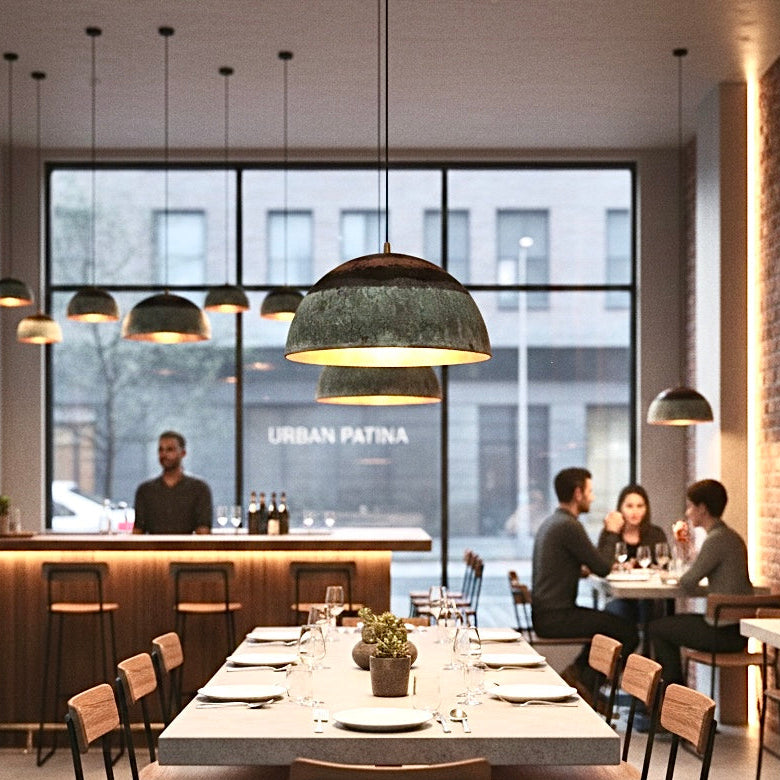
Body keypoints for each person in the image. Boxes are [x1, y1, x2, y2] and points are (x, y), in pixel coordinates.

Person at [532, 467, 639, 693]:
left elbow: (588, 562)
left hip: (546, 614)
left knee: (608, 628)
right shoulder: (569, 525)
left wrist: (576, 569)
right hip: (556, 617)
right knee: (627, 633)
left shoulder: (554, 522)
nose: (593, 497)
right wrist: (611, 531)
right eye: (590, 491)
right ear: (578, 493)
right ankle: (586, 685)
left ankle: (578, 676)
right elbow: (602, 567)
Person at [648, 479, 753, 687]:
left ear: (702, 508)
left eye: (690, 506)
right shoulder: (730, 537)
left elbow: (688, 581)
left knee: (657, 628)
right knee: (664, 626)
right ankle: (670, 698)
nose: (687, 513)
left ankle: (671, 699)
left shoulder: (717, 539)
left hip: (724, 633)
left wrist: (675, 575)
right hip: (737, 629)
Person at [597, 484, 669, 624]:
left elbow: (665, 565)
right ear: (620, 508)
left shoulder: (655, 534)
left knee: (649, 608)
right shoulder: (610, 533)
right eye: (629, 506)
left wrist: (647, 568)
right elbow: (601, 564)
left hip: (649, 597)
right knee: (621, 611)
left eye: (640, 506)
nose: (635, 511)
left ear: (646, 508)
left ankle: (648, 643)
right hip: (619, 597)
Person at [133, 431, 213, 534]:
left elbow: (203, 531)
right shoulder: (145, 490)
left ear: (183, 453)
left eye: (170, 450)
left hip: (188, 549)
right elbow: (138, 530)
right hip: (153, 549)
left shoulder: (199, 489)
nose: (164, 454)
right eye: (161, 450)